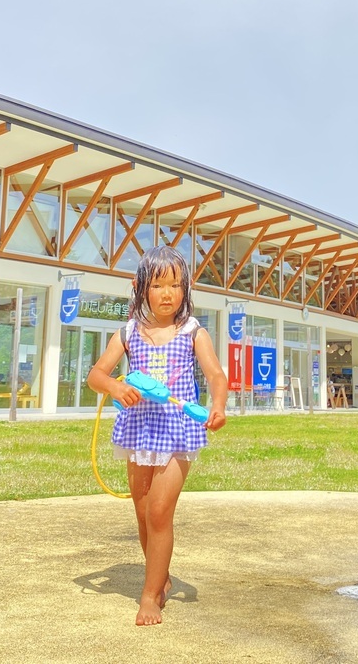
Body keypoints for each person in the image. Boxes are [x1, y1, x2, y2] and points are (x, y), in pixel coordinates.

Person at [86, 246, 228, 626]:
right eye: (159, 284)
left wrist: (218, 404)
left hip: (178, 431)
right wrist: (115, 389)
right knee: (143, 513)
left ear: (186, 290)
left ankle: (150, 595)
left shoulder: (192, 331)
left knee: (160, 510)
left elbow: (215, 374)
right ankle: (160, 579)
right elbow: (96, 375)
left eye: (176, 285)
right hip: (139, 430)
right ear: (141, 287)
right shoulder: (129, 332)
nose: (168, 293)